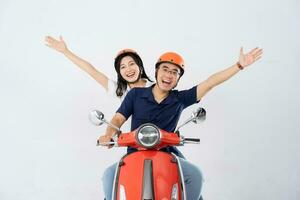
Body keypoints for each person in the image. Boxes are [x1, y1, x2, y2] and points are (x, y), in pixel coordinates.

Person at [98, 47, 263, 199]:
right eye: (165, 69)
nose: (168, 75)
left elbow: (210, 83)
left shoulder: (180, 99)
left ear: (178, 78)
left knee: (195, 175)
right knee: (109, 177)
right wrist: (108, 134)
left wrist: (239, 66)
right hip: (134, 151)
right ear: (156, 71)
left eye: (174, 72)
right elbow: (118, 118)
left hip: (168, 153)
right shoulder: (135, 94)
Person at [44, 36, 153, 101]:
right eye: (123, 67)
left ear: (140, 67)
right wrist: (65, 51)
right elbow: (90, 70)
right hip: (133, 138)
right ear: (120, 73)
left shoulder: (156, 87)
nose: (128, 69)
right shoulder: (120, 90)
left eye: (131, 64)